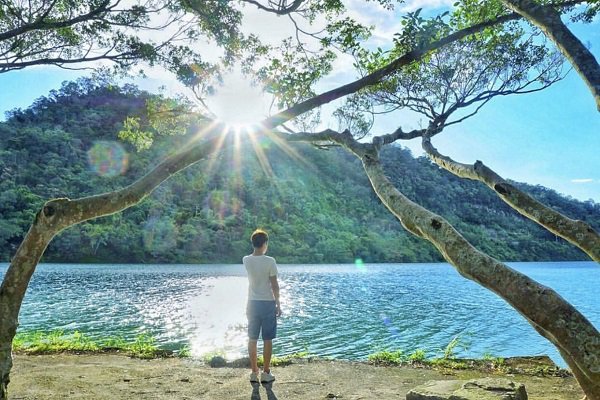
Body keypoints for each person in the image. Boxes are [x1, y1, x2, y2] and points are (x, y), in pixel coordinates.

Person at [243, 229, 282, 384]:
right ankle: (266, 373)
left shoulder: (246, 259)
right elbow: (274, 285)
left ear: (253, 243)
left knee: (252, 338)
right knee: (267, 339)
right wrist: (278, 303)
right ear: (265, 244)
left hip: (252, 303)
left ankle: (254, 372)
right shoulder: (270, 261)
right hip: (267, 303)